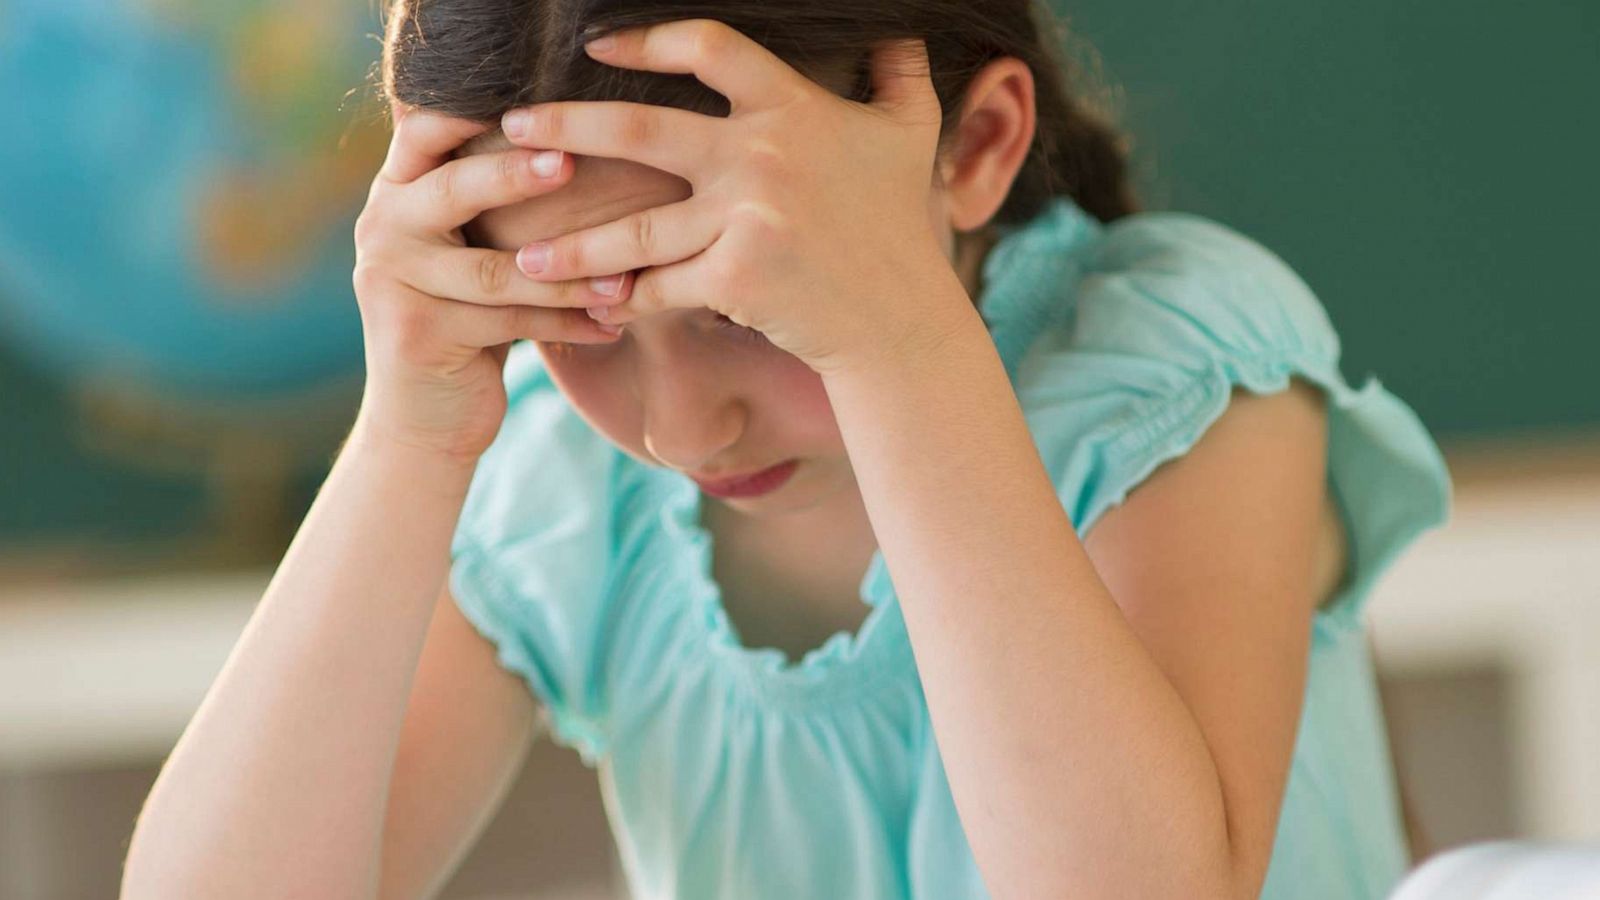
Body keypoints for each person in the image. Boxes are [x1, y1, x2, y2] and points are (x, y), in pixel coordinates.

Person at [122, 2, 1452, 898]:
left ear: (972, 146)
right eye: (579, 332)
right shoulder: (564, 490)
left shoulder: (1171, 364)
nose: (677, 426)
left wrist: (900, 349)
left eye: (737, 311)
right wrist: (404, 433)